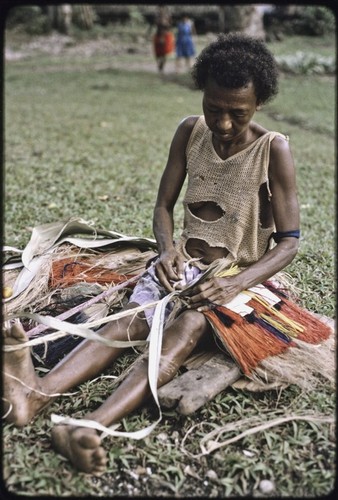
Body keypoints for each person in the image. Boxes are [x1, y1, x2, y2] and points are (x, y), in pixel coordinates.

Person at [3, 33, 300, 474]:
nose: (221, 123)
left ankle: (91, 425)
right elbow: (163, 207)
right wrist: (165, 252)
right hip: (182, 266)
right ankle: (33, 395)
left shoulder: (273, 149)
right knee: (129, 322)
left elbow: (290, 242)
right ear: (201, 94)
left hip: (243, 278)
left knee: (188, 326)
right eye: (213, 108)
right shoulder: (189, 132)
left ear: (259, 103)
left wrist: (235, 282)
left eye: (236, 113)